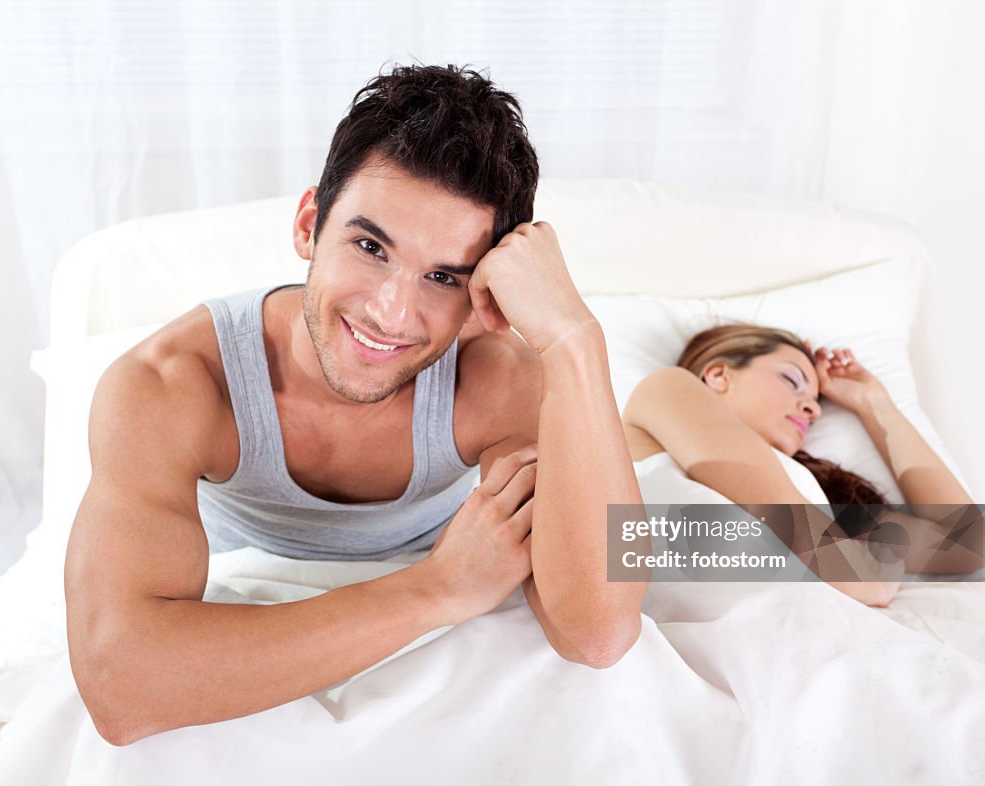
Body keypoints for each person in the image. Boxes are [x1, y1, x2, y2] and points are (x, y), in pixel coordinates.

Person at [65, 65, 646, 747]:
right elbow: (122, 690)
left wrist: (575, 338)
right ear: (310, 224)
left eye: (442, 277)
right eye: (371, 247)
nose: (392, 313)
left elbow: (599, 632)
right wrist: (437, 588)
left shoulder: (495, 383)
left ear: (480, 290)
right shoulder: (172, 383)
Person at [622, 324, 985, 606]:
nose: (813, 407)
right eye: (792, 380)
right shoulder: (668, 389)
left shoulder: (818, 495)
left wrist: (874, 404)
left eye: (817, 403)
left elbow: (973, 544)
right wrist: (865, 569)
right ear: (719, 374)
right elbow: (863, 580)